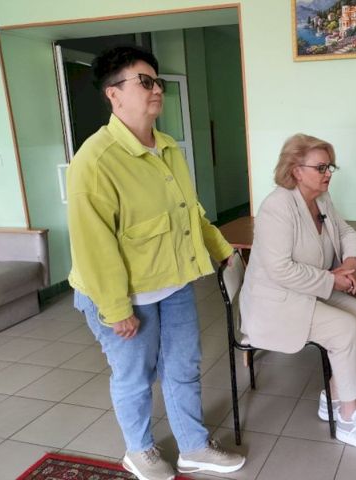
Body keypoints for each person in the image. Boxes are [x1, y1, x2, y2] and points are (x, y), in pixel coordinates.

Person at [66, 46, 245, 480]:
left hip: (173, 282)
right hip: (123, 295)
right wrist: (116, 308)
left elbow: (190, 213)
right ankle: (139, 451)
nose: (156, 89)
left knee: (184, 366)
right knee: (134, 377)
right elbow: (93, 245)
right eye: (144, 81)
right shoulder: (96, 160)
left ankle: (194, 447)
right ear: (113, 94)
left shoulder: (167, 147)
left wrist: (221, 248)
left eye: (157, 81)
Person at [239, 134, 356, 455]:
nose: (328, 174)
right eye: (320, 167)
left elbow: (347, 232)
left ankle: (334, 397)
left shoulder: (321, 199)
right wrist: (332, 280)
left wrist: (351, 263)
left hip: (309, 291)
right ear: (296, 170)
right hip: (276, 303)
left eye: (330, 166)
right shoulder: (277, 207)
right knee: (345, 327)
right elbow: (280, 270)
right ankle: (349, 418)